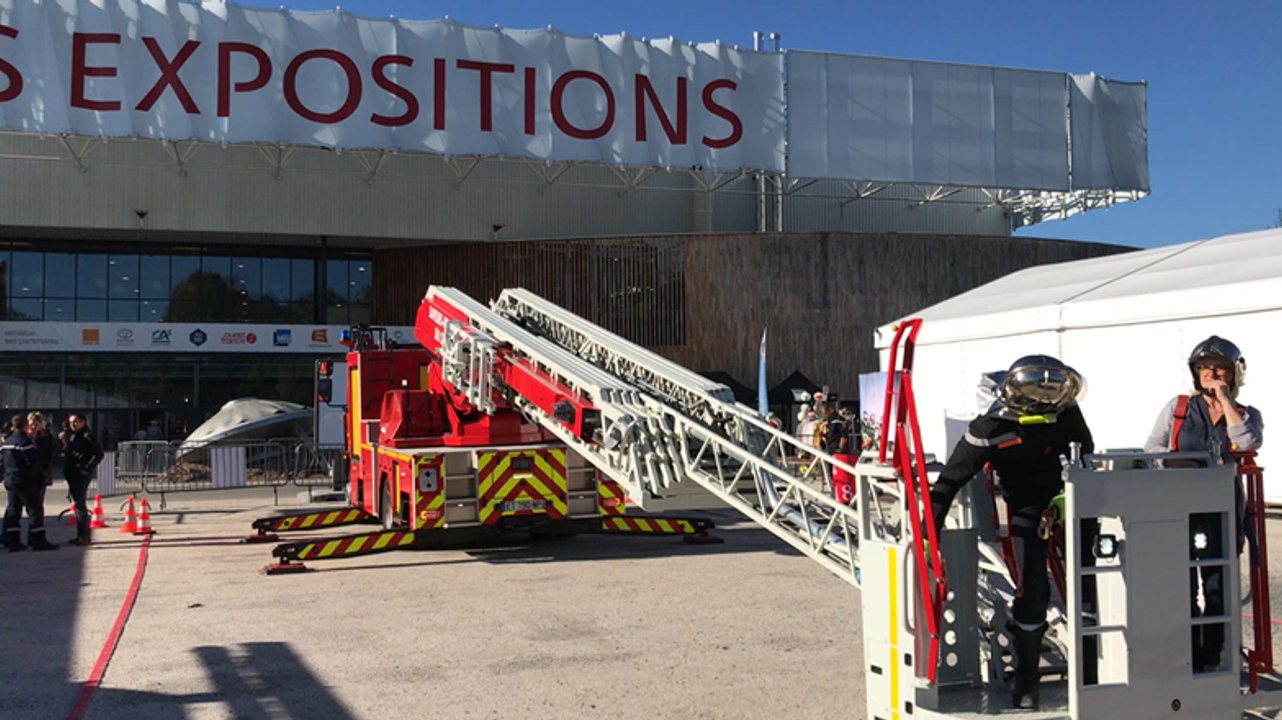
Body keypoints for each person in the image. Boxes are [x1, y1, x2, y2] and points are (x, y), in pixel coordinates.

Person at [928, 355, 1092, 709]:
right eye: (1037, 396)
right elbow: (950, 480)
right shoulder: (990, 427)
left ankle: (1095, 663)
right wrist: (929, 533)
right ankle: (1027, 678)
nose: (1044, 402)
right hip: (1025, 505)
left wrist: (1070, 496)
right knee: (1032, 587)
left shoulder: (1066, 411)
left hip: (1070, 496)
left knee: (1095, 577)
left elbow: (1086, 455)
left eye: (1050, 396)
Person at [1143, 335, 1263, 673]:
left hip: (1221, 511)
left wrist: (1224, 400)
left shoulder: (1246, 414)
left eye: (1219, 369)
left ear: (1234, 374)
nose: (1211, 375)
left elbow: (1248, 442)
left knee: (1216, 585)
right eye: (1204, 369)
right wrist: (1175, 462)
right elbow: (1151, 447)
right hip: (1177, 508)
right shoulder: (1179, 407)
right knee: (1179, 583)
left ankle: (1210, 657)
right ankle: (1184, 653)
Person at [2, 413, 58, 551]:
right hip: (24, 479)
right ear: (25, 425)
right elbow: (32, 462)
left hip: (10, 478)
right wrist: (39, 478)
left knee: (13, 509)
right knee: (35, 509)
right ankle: (37, 540)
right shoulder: (25, 442)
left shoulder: (7, 441)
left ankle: (13, 540)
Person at [61, 413, 104, 546]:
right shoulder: (74, 435)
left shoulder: (87, 435)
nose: (73, 425)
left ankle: (84, 535)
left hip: (80, 473)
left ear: (82, 422)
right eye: (71, 422)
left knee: (80, 504)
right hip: (72, 472)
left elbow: (98, 454)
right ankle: (80, 534)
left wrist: (86, 467)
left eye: (75, 422)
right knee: (77, 503)